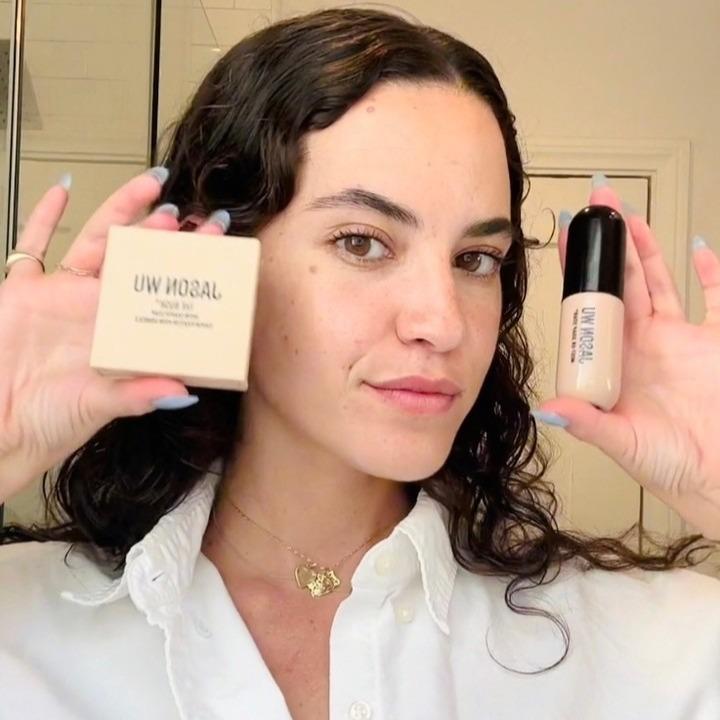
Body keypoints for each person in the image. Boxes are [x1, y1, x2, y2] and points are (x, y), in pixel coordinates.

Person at [1, 6, 720, 719]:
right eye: (362, 243)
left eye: (476, 258)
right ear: (213, 257)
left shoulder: (640, 652)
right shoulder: (25, 634)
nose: (442, 323)